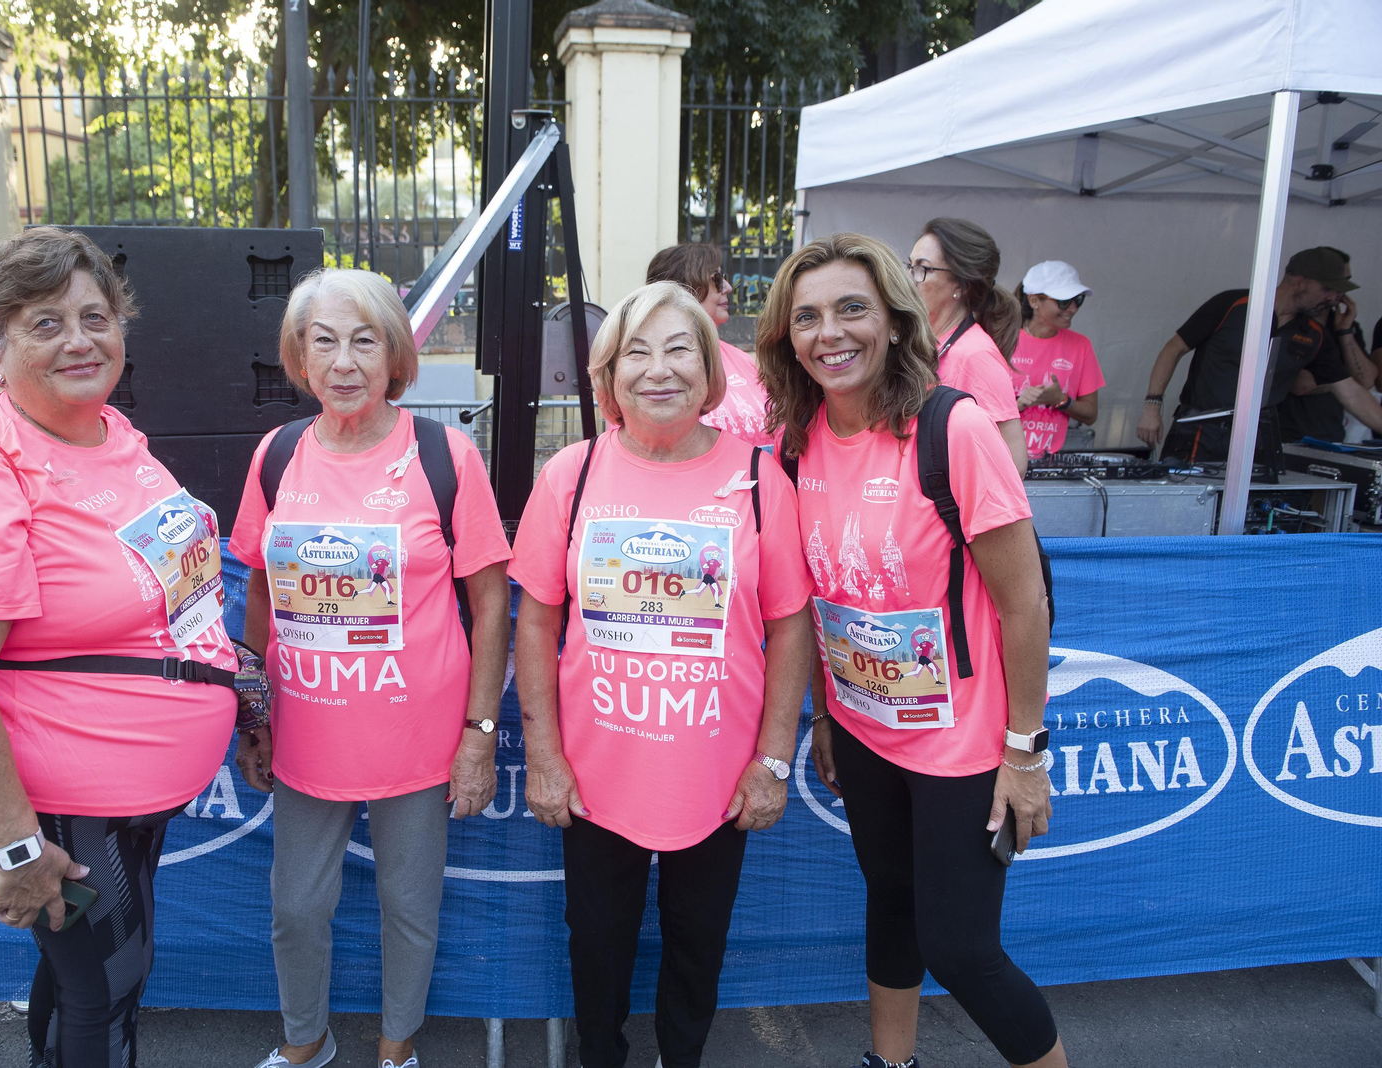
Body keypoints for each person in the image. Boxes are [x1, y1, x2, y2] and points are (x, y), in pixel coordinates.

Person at [0, 226, 240, 1068]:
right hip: (50, 803)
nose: (79, 340)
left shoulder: (113, 435)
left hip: (123, 794)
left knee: (85, 976)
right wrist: (15, 849)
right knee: (106, 987)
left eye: (95, 317)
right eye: (45, 324)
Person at [756, 233, 1066, 1068]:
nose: (830, 333)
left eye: (852, 308)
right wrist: (827, 716)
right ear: (787, 336)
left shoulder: (952, 429)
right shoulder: (796, 441)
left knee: (962, 950)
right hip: (863, 732)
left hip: (963, 745)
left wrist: (1024, 752)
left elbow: (1024, 604)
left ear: (895, 320)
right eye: (807, 316)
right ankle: (890, 1063)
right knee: (890, 904)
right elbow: (821, 600)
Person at [511, 281, 814, 1068]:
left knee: (696, 944)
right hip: (596, 776)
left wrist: (773, 761)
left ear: (710, 371)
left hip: (716, 778)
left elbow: (790, 627)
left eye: (680, 349)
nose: (658, 370)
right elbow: (536, 621)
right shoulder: (570, 475)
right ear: (607, 376)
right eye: (635, 353)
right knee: (597, 943)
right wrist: (544, 757)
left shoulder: (761, 479)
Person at [232, 269, 512, 1068]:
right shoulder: (278, 454)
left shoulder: (445, 455)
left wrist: (478, 735)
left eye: (365, 341)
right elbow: (259, 586)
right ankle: (305, 1046)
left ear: (395, 356)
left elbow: (491, 602)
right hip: (305, 732)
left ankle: (396, 1051)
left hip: (416, 736)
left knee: (408, 906)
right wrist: (254, 715)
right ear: (299, 356)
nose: (344, 362)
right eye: (324, 341)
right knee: (296, 908)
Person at [1135, 246, 1382, 464]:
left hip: (1258, 437)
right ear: (1300, 282)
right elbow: (1173, 349)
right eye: (1327, 289)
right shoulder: (1233, 303)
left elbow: (1352, 392)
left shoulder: (1315, 334)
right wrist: (1152, 407)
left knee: (1254, 503)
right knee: (1187, 497)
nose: (1334, 298)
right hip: (1200, 427)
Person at [907, 218, 1029, 475]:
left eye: (922, 269)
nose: (909, 279)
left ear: (961, 285)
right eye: (909, 266)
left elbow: (1013, 464)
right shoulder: (934, 340)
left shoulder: (976, 355)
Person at [646, 243, 778, 448]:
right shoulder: (649, 365)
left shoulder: (741, 358)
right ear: (686, 288)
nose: (728, 287)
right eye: (716, 279)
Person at [1279, 248, 1376, 442]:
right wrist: (1345, 384)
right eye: (1331, 286)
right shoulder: (1290, 321)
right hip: (1286, 436)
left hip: (1331, 437)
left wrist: (1345, 333)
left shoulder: (1343, 324)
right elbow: (1301, 385)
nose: (1338, 293)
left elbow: (1366, 381)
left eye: (1344, 284)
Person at [1011, 261, 1105, 458]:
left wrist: (1060, 400)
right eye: (1064, 301)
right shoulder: (1003, 339)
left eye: (1078, 300)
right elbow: (977, 407)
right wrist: (1018, 404)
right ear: (1034, 301)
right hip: (1001, 460)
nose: (1072, 308)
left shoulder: (1081, 345)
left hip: (1049, 462)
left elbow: (1090, 414)